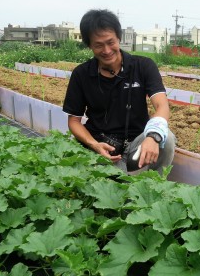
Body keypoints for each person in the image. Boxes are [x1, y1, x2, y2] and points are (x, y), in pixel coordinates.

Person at [63, 9, 176, 174]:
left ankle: (153, 190)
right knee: (110, 191)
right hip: (101, 147)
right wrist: (93, 144)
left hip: (137, 144)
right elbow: (74, 121)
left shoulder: (143, 66)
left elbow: (162, 106)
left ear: (119, 38)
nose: (107, 50)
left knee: (168, 139)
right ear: (89, 45)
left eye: (110, 42)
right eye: (98, 45)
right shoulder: (81, 74)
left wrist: (153, 136)